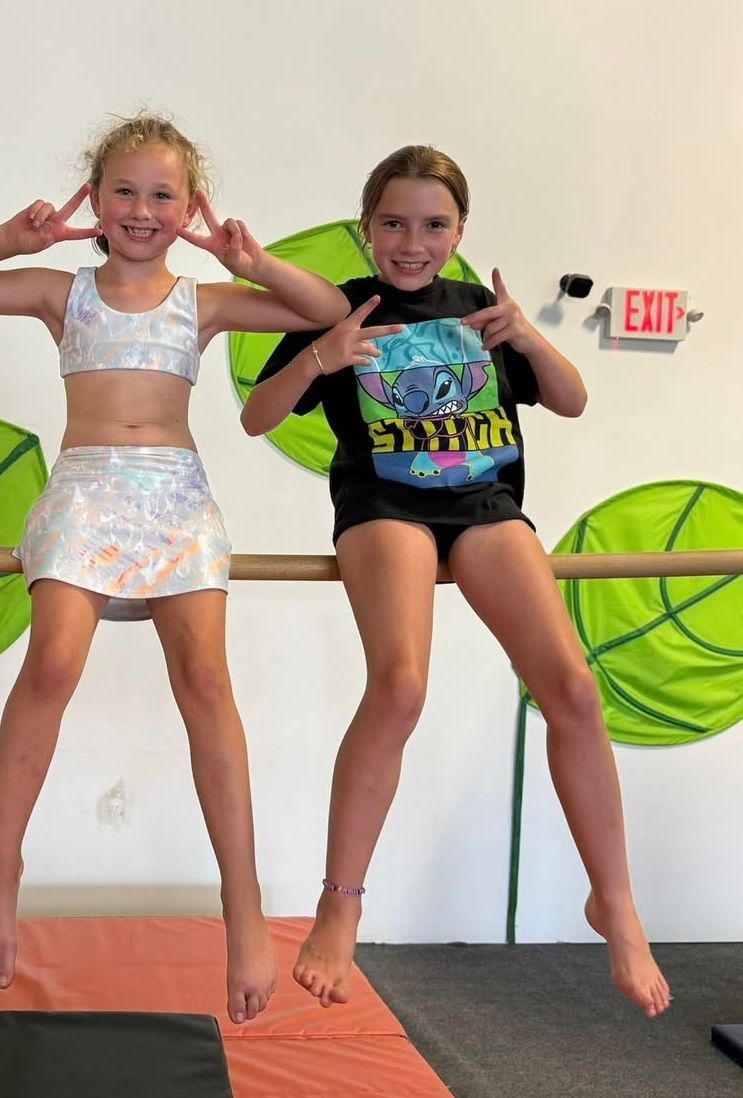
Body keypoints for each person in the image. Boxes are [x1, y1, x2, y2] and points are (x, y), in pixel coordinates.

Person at [0, 113, 348, 1023]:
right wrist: (12, 236)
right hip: (86, 488)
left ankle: (242, 904)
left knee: (203, 680)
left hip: (176, 495)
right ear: (95, 200)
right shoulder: (60, 291)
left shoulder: (205, 299)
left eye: (163, 195)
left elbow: (327, 313)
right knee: (54, 664)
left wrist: (249, 259)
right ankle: (1, 871)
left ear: (190, 207)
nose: (143, 210)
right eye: (125, 192)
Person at [242, 144, 670, 1018]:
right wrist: (323, 355)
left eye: (433, 224)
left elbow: (572, 400)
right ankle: (340, 903)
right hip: (385, 506)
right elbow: (258, 417)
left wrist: (526, 332)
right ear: (365, 231)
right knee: (398, 687)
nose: (412, 241)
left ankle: (614, 904)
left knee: (573, 690)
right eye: (393, 223)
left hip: (482, 507)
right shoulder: (339, 309)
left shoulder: (477, 310)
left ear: (459, 232)